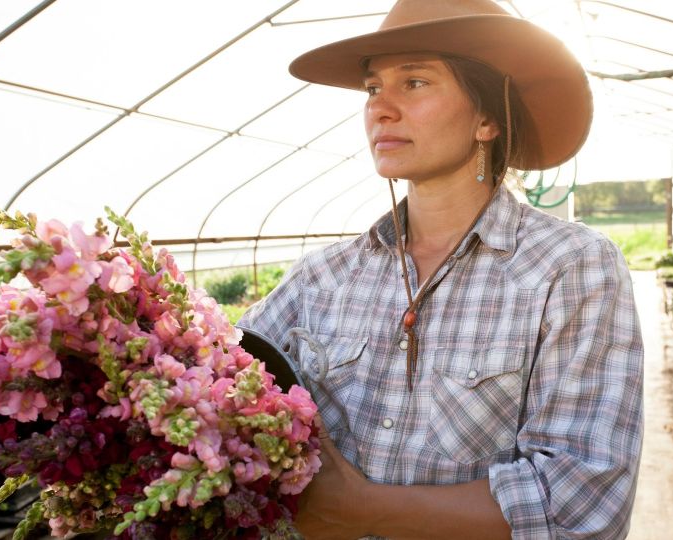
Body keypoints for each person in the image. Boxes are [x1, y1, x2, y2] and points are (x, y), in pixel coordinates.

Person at [239, 1, 644, 538]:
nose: (380, 109)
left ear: (487, 119)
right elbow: (217, 375)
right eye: (372, 88)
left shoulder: (569, 268)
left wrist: (366, 508)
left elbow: (584, 502)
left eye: (414, 82)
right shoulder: (323, 276)